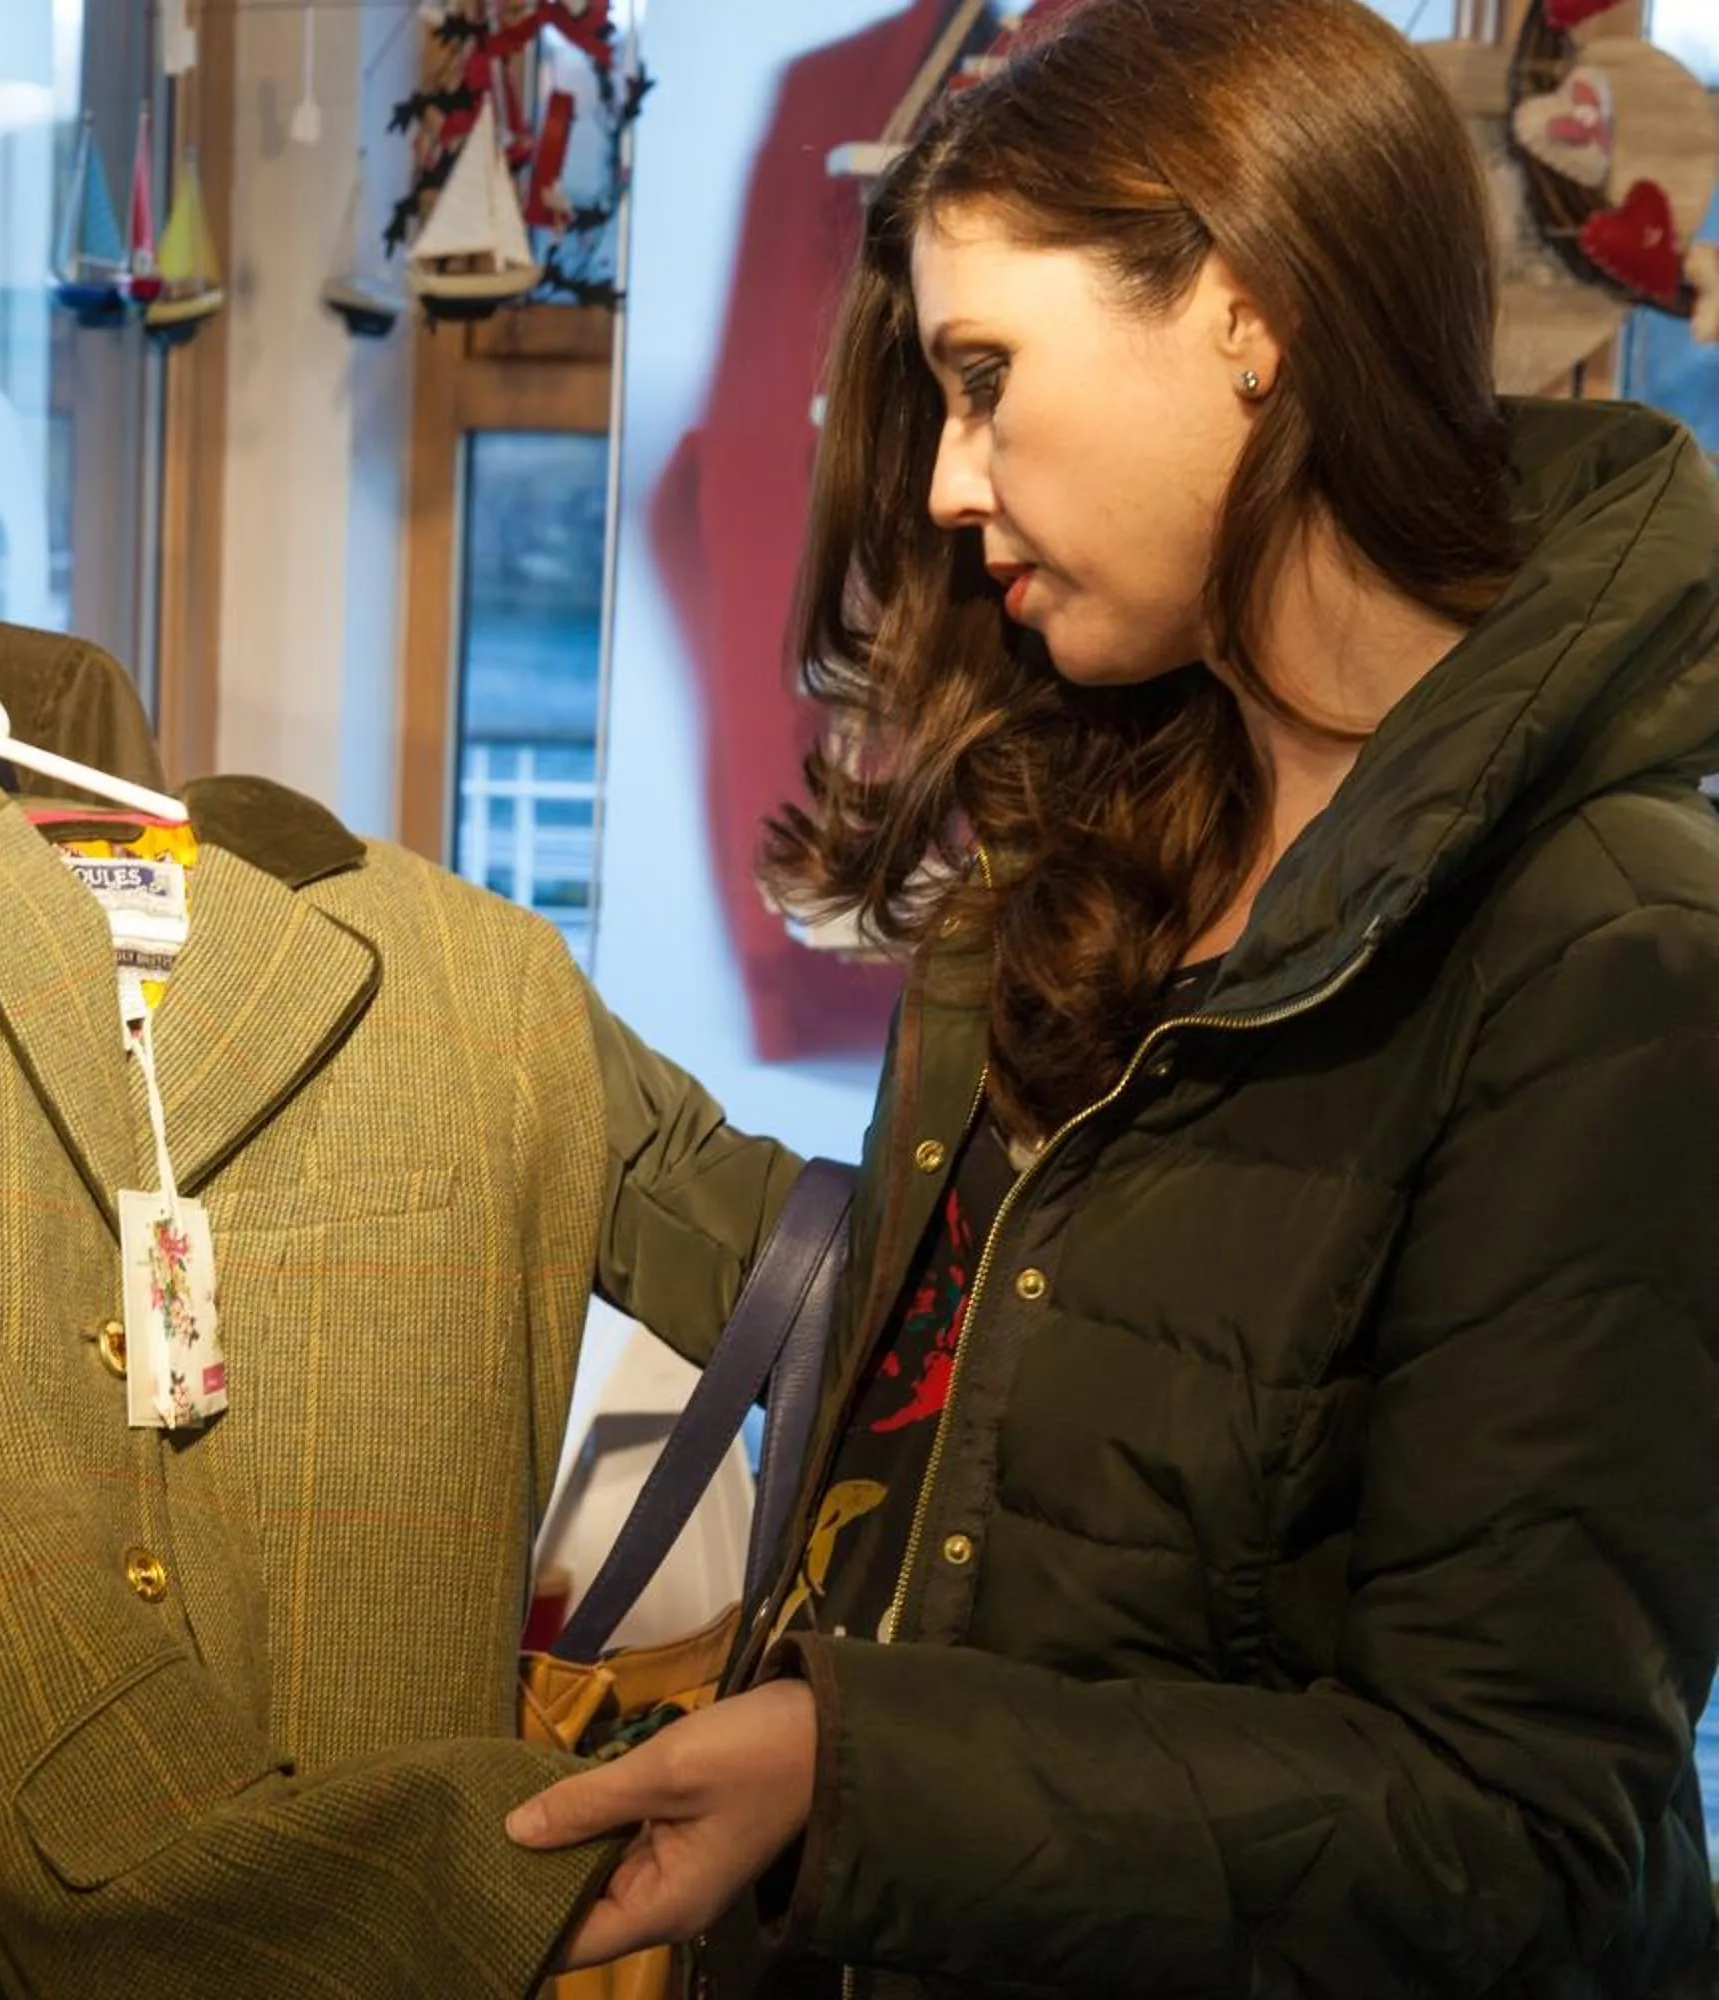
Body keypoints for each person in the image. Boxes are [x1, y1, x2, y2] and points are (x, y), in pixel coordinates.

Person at [507, 0, 1719, 1992]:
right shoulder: (1114, 820)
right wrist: (457, 1000)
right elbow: (917, 1346)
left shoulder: (1609, 953)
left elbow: (1529, 1838)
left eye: (989, 378)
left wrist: (862, 1771)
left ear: (1248, 312)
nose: (958, 484)